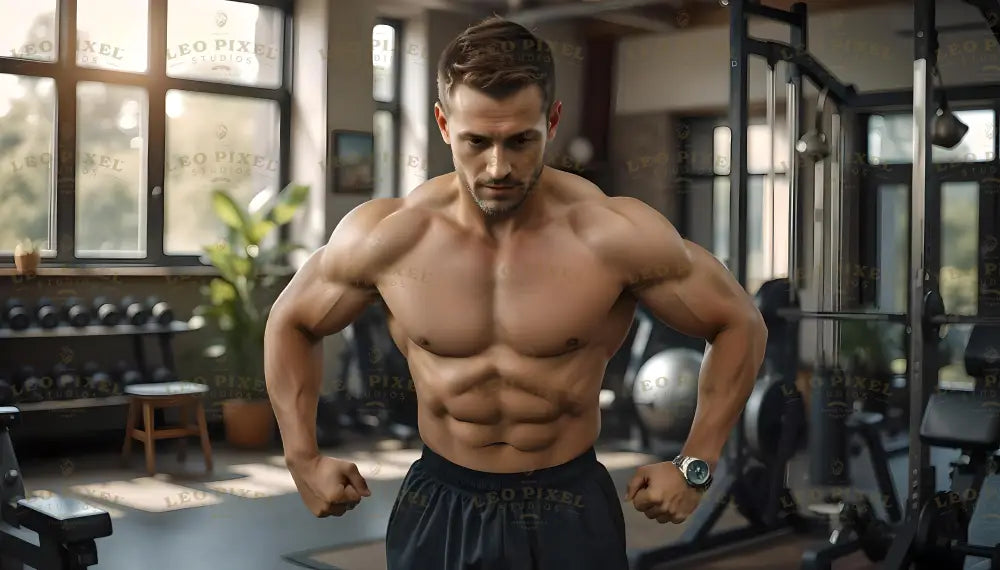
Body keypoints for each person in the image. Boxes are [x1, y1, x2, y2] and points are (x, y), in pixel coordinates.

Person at [265, 15, 767, 570]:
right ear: (442, 125)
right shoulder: (390, 237)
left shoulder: (613, 235)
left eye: (521, 140)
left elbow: (739, 321)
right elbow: (292, 321)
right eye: (476, 142)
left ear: (552, 121)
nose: (498, 167)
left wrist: (696, 462)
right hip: (441, 499)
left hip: (568, 503)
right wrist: (302, 458)